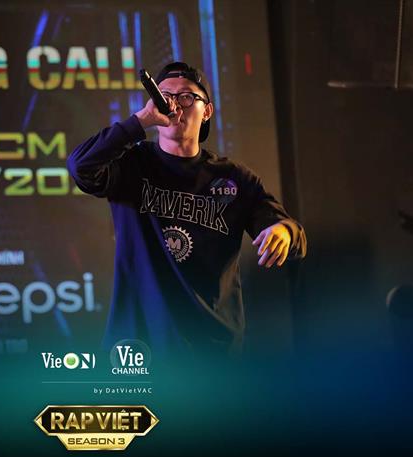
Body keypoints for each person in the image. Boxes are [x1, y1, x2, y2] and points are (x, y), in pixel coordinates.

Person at [67, 62, 307, 355]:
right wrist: (140, 121)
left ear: (207, 111)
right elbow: (80, 167)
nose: (174, 105)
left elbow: (290, 233)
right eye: (165, 95)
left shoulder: (234, 178)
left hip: (212, 348)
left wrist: (283, 231)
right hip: (139, 345)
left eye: (186, 97)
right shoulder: (131, 165)